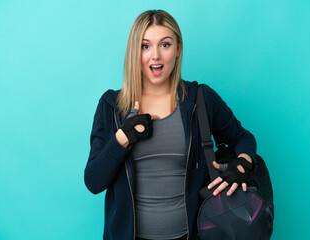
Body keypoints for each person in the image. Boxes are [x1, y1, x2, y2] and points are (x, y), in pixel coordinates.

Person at [84, 10, 257, 240]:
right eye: (145, 46)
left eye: (165, 45)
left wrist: (243, 164)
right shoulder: (111, 106)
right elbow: (94, 182)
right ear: (135, 52)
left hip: (191, 235)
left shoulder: (201, 99)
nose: (155, 56)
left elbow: (242, 138)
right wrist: (122, 138)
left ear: (178, 50)